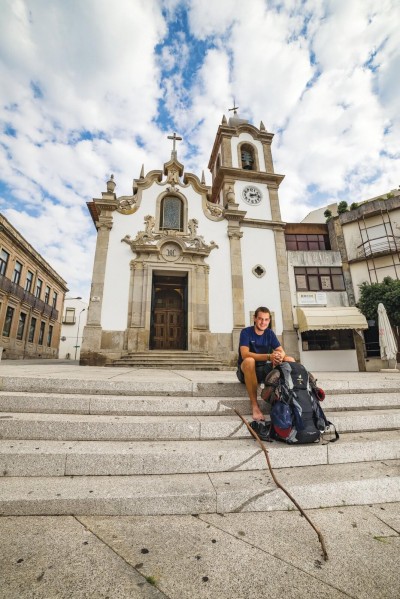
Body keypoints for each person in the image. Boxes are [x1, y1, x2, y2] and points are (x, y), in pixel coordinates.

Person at [237, 306, 294, 421]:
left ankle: (290, 400)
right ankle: (255, 406)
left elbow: (281, 351)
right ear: (254, 318)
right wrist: (269, 356)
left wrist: (279, 357)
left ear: (269, 320)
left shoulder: (269, 333)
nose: (263, 322)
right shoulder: (246, 332)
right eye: (260, 319)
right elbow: (244, 354)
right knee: (249, 360)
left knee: (290, 359)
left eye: (266, 319)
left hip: (263, 370)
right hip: (246, 371)